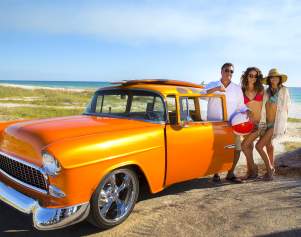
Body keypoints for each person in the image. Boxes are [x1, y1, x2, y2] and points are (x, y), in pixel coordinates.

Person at [205, 62, 247, 183]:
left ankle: (230, 173)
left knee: (236, 149)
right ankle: (216, 173)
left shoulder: (237, 88)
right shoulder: (212, 84)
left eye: (231, 71)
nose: (229, 73)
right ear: (221, 71)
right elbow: (201, 95)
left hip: (232, 124)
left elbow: (241, 106)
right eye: (226, 70)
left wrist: (247, 111)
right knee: (217, 149)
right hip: (215, 124)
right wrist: (216, 89)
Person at [255, 68, 291, 181]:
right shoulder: (267, 91)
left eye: (276, 77)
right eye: (271, 77)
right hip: (266, 123)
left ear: (279, 79)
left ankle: (269, 170)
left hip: (276, 123)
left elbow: (286, 107)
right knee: (268, 146)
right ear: (269, 79)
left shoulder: (284, 90)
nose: (273, 79)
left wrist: (282, 124)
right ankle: (271, 169)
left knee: (259, 146)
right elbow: (263, 106)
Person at [240, 67, 264, 180]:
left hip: (259, 124)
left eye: (255, 76)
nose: (253, 78)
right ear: (246, 76)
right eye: (251, 75)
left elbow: (266, 107)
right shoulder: (242, 90)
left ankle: (254, 169)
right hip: (247, 124)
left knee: (243, 146)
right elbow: (239, 107)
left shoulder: (261, 90)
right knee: (248, 146)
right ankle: (250, 171)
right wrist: (246, 110)